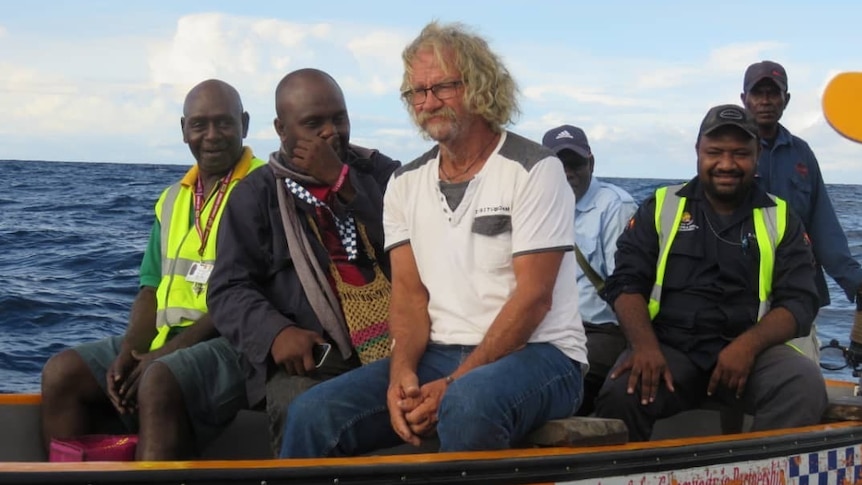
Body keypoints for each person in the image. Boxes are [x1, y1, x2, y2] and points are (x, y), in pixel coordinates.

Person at [278, 21, 588, 458]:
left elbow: (534, 299)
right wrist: (401, 373)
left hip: (542, 355)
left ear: (481, 86)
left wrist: (455, 384)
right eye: (417, 92)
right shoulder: (406, 183)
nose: (428, 102)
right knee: (311, 414)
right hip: (439, 354)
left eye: (442, 87)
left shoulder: (534, 169)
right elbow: (408, 293)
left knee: (468, 404)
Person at [40, 79, 265, 460]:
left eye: (224, 123)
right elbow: (149, 288)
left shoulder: (265, 188)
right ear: (183, 130)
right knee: (61, 373)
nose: (212, 136)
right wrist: (132, 350)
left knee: (159, 381)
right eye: (199, 125)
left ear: (244, 123)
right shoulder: (173, 198)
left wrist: (165, 355)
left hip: (237, 345)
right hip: (169, 341)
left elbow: (252, 296)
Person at [593, 104, 827, 442]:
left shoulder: (782, 217)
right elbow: (626, 283)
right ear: (698, 152)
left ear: (757, 154)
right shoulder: (660, 206)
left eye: (740, 153)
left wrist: (747, 347)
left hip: (751, 352)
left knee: (802, 383)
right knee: (621, 392)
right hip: (669, 349)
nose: (727, 164)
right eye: (714, 152)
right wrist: (643, 347)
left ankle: (758, 473)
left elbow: (801, 302)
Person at [206, 68, 399, 456]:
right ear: (281, 128)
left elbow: (413, 242)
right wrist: (274, 333)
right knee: (298, 406)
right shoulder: (256, 195)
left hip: (401, 342)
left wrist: (344, 184)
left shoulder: (383, 174)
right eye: (314, 124)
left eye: (339, 118)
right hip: (315, 357)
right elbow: (228, 288)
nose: (332, 132)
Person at [740, 60, 862, 362]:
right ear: (744, 99)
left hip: (795, 288)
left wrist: (856, 283)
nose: (766, 101)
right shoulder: (730, 149)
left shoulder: (802, 153)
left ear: (786, 100)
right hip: (739, 289)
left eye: (774, 93)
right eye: (758, 93)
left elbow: (824, 228)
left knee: (802, 379)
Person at [542, 125, 637, 416]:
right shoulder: (535, 206)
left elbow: (625, 286)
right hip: (546, 327)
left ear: (591, 164)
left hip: (600, 330)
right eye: (558, 166)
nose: (568, 172)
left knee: (553, 386)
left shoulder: (615, 206)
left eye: (575, 164)